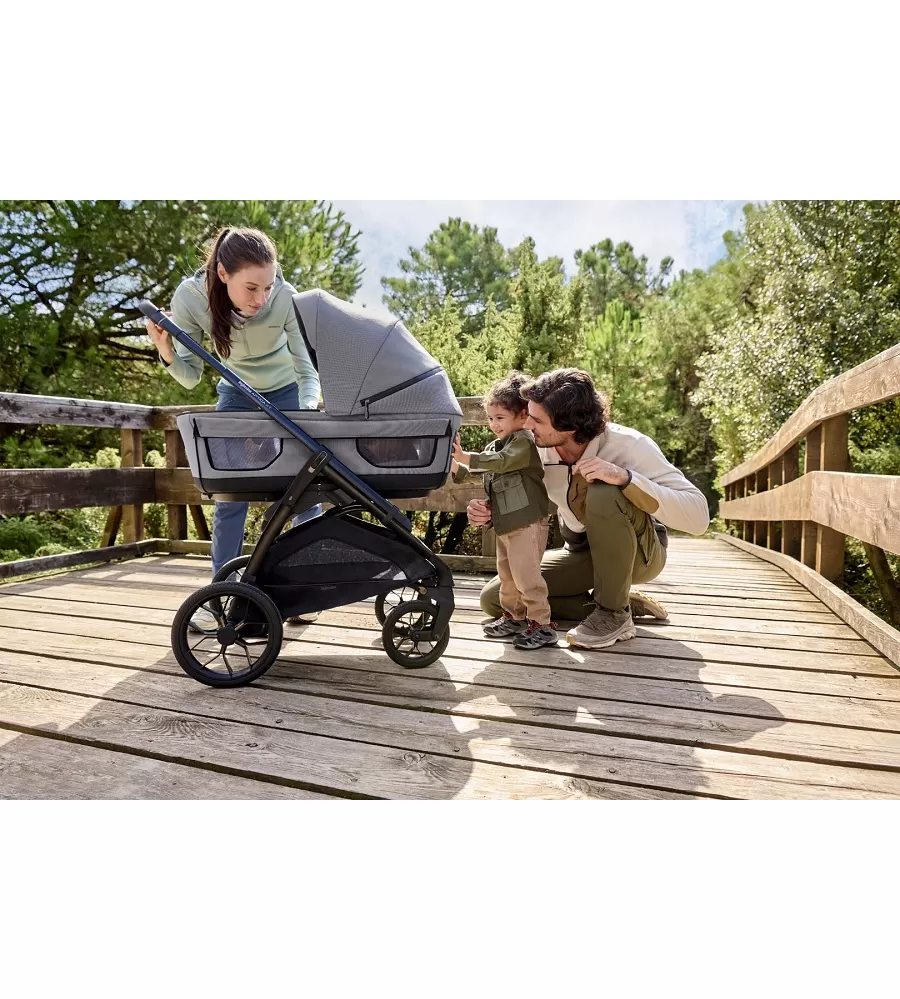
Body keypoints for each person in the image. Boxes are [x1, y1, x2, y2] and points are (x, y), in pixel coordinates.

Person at [145, 226, 321, 627]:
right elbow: (190, 377)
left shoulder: (286, 298)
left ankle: (303, 591)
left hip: (289, 395)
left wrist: (306, 411)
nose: (262, 299)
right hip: (236, 395)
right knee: (229, 497)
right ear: (222, 274)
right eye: (251, 288)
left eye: (268, 286)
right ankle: (222, 595)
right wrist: (165, 349)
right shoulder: (191, 298)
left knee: (306, 494)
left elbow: (307, 370)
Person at [467, 368, 710, 649]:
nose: (527, 425)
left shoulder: (629, 445)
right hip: (579, 551)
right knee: (496, 599)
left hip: (639, 554)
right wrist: (488, 511)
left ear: (569, 426)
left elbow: (699, 517)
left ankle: (612, 612)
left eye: (537, 420)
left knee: (603, 490)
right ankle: (616, 600)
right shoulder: (532, 447)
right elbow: (518, 492)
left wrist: (625, 478)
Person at [452, 373, 557, 650]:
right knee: (507, 577)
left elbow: (501, 462)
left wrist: (467, 457)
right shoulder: (495, 447)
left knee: (527, 578)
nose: (493, 424)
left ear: (523, 416)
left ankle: (543, 625)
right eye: (490, 418)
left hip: (527, 523)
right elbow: (486, 474)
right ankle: (514, 617)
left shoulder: (523, 442)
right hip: (506, 523)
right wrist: (457, 469)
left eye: (500, 417)